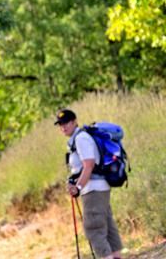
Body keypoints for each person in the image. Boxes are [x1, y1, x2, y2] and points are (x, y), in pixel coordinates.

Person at [56, 109, 123, 259]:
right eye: (60, 124)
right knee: (107, 224)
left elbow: (89, 164)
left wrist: (78, 187)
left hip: (93, 189)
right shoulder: (78, 139)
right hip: (98, 187)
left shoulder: (81, 139)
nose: (63, 127)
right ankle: (116, 256)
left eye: (66, 123)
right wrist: (74, 180)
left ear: (74, 122)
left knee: (93, 228)